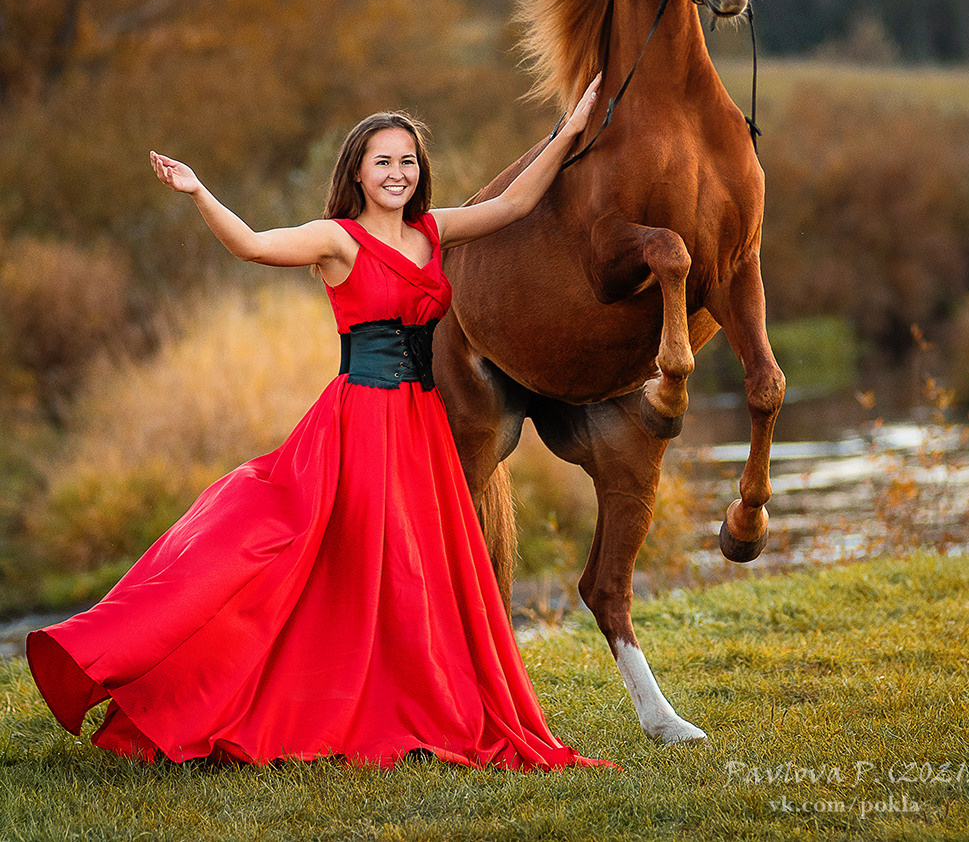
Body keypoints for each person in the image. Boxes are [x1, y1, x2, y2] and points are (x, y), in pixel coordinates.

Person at [27, 78, 609, 770]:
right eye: (383, 161)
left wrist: (568, 131)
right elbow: (249, 245)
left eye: (408, 161)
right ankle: (263, 689)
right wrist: (199, 192)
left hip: (421, 423)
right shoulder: (336, 239)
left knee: (415, 569)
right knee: (325, 558)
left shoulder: (434, 230)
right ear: (357, 172)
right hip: (360, 421)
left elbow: (515, 203)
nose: (397, 173)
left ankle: (416, 699)